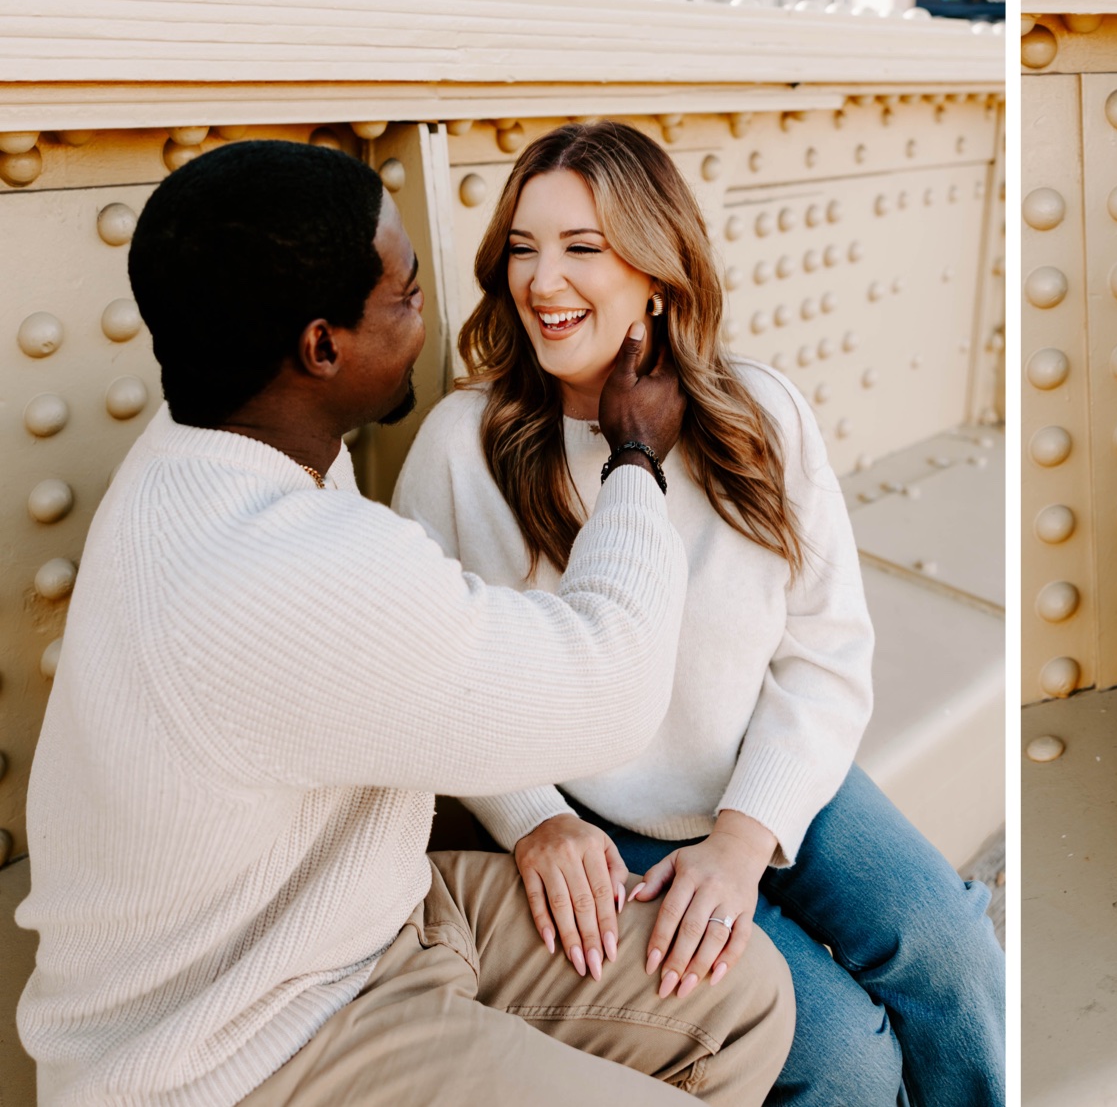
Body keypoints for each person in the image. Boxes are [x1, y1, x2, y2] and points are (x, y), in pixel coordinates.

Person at [16, 139, 793, 1107]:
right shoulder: (289, 570)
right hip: (245, 1039)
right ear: (321, 348)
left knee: (746, 998)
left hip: (357, 910)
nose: (437, 317)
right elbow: (613, 685)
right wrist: (631, 456)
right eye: (406, 295)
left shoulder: (214, 445)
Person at [393, 120, 1005, 1107]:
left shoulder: (758, 416)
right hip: (599, 816)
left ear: (656, 268)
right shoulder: (464, 444)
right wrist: (535, 821)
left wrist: (739, 844)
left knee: (955, 957)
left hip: (761, 777)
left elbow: (825, 649)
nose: (542, 282)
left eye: (582, 249)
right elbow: (430, 676)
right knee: (843, 1055)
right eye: (522, 248)